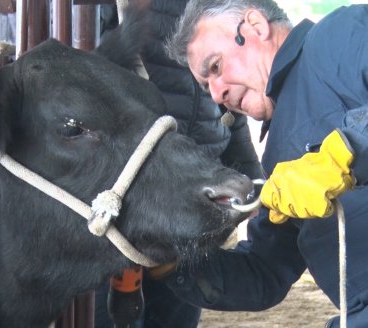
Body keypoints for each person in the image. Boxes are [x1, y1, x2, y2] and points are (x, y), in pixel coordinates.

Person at [154, 1, 368, 327]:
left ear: (255, 26)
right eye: (205, 86)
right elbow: (265, 271)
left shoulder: (341, 33)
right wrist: (173, 263)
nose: (216, 94)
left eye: (215, 67)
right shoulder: (278, 161)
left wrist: (345, 153)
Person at [95, 1, 264, 327]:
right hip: (127, 196)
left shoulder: (212, 10)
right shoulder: (116, 11)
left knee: (179, 307)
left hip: (191, 199)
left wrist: (246, 166)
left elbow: (222, 100)